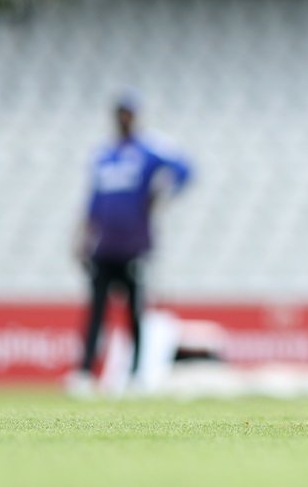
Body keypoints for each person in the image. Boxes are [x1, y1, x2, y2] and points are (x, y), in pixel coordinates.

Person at [68, 91, 192, 396]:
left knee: (134, 314)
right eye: (120, 113)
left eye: (129, 113)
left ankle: (137, 374)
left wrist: (161, 194)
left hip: (134, 246)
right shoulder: (103, 155)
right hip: (104, 247)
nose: (124, 118)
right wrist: (82, 237)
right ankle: (85, 373)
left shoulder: (149, 149)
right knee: (96, 313)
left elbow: (185, 169)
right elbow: (93, 202)